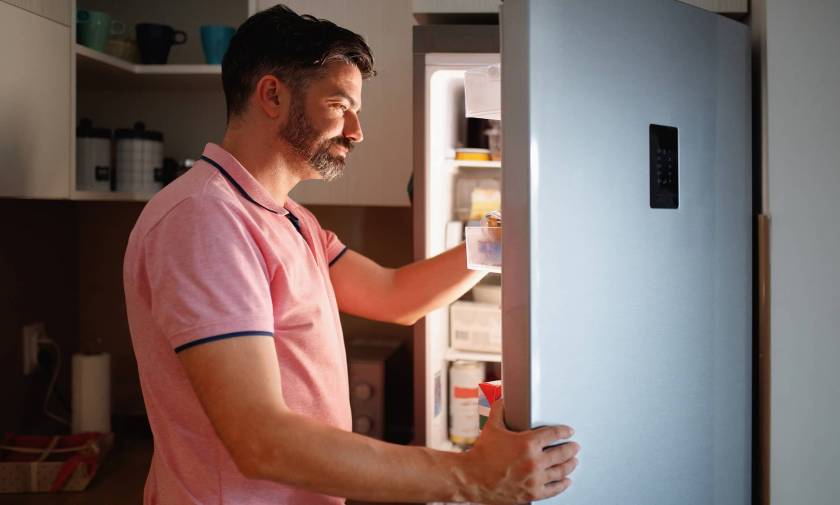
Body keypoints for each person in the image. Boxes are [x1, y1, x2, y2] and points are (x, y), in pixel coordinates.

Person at [123, 4, 579, 504]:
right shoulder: (205, 219)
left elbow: (394, 296)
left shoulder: (287, 217)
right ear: (272, 95)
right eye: (340, 106)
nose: (356, 130)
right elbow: (260, 441)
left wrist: (504, 235)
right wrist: (473, 476)